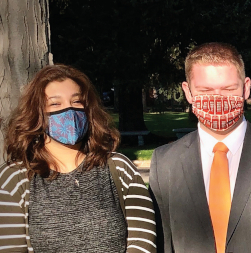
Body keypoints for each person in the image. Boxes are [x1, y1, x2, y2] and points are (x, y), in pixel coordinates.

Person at [149, 42, 251, 253]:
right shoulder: (164, 163)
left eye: (228, 89)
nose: (218, 99)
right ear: (188, 92)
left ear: (246, 87)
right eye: (205, 90)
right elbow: (162, 242)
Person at [0, 64, 156, 253]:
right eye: (55, 104)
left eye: (77, 102)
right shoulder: (15, 179)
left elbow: (143, 244)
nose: (69, 110)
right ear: (37, 114)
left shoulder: (120, 168)